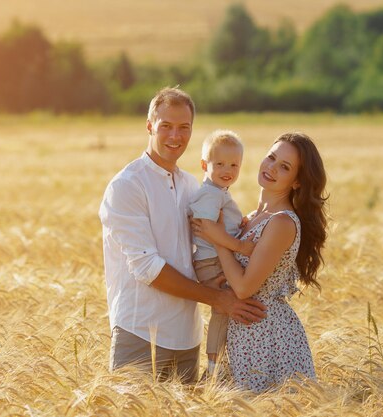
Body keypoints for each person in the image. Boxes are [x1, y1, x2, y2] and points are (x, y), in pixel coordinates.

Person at [99, 86, 267, 384]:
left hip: (187, 339)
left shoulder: (192, 186)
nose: (175, 136)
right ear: (150, 126)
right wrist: (219, 298)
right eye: (166, 126)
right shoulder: (127, 186)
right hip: (139, 332)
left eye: (184, 128)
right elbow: (147, 269)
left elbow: (211, 242)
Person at [192, 132, 328, 392]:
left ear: (297, 181)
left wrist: (219, 240)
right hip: (242, 332)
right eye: (271, 157)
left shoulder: (282, 223)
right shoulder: (253, 216)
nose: (271, 168)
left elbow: (244, 289)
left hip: (266, 337)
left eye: (284, 167)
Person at [188, 130, 251, 376]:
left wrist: (239, 227)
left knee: (228, 309)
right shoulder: (211, 193)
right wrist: (240, 246)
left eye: (234, 165)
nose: (228, 169)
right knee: (223, 310)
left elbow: (220, 225)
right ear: (204, 165)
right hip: (211, 262)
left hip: (214, 258)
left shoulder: (219, 192)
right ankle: (214, 363)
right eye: (220, 164)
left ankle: (224, 360)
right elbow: (208, 227)